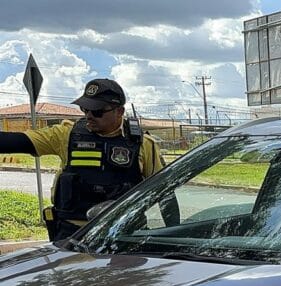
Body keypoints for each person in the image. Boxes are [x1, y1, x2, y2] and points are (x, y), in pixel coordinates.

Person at [0, 78, 164, 240]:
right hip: (72, 233)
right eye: (85, 109)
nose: (89, 116)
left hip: (124, 234)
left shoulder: (143, 144)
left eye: (97, 111)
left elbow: (163, 192)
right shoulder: (66, 134)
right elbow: (20, 142)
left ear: (119, 111)